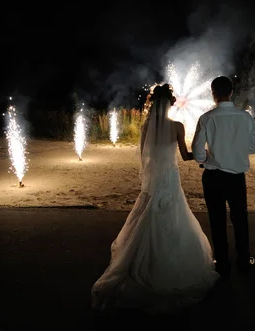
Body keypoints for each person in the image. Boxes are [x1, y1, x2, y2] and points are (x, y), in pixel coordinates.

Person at [91, 83, 219, 314]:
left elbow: (144, 157)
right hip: (170, 178)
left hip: (153, 181)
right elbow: (185, 156)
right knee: (173, 217)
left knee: (147, 214)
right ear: (170, 104)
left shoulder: (146, 126)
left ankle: (135, 260)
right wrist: (207, 156)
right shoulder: (177, 126)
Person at [191, 76, 255, 277]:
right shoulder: (245, 117)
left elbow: (197, 151)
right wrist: (237, 151)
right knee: (240, 218)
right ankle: (244, 259)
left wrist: (206, 158)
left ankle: (222, 262)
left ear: (213, 93)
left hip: (213, 176)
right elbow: (254, 147)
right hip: (237, 177)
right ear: (231, 92)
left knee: (217, 219)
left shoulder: (207, 118)